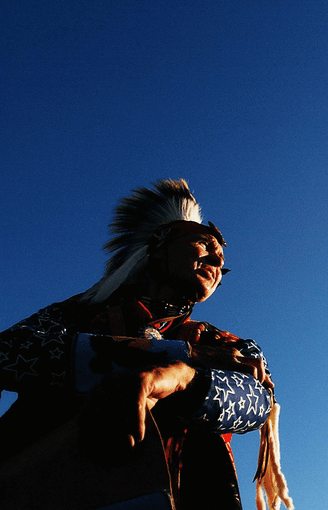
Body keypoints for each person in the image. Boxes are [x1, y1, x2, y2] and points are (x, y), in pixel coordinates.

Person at [0, 179, 292, 510]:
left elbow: (258, 402)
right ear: (160, 243)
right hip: (41, 484)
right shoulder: (76, 314)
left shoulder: (223, 345)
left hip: (185, 490)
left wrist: (182, 378)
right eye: (205, 242)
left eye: (221, 258)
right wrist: (179, 356)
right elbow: (7, 352)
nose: (218, 256)